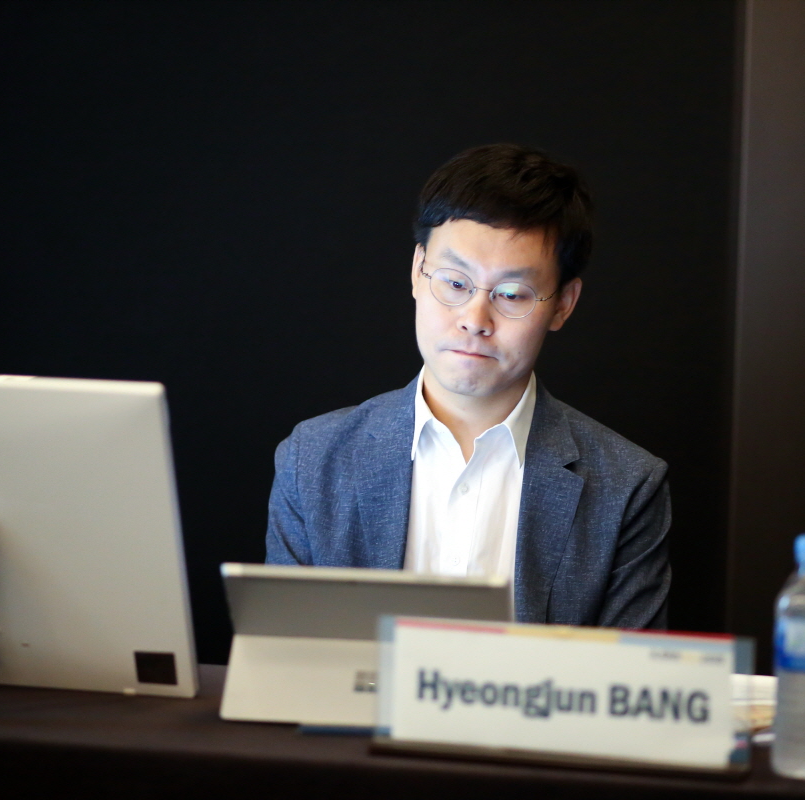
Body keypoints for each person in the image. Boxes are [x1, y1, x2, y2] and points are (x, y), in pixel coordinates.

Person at [266, 143, 671, 628]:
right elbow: (286, 656)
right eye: (455, 284)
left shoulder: (627, 486)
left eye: (512, 294)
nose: (475, 319)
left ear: (563, 303)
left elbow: (622, 673)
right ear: (417, 271)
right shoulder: (312, 460)